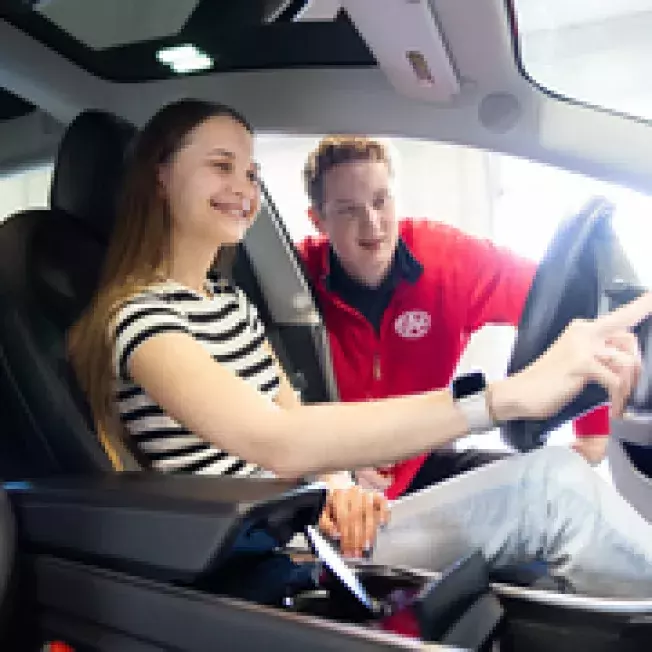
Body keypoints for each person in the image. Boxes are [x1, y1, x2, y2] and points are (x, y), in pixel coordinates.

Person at [68, 98, 652, 598]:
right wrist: (497, 401)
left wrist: (341, 485)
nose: (243, 190)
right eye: (221, 167)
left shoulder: (227, 302)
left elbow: (294, 417)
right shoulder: (138, 318)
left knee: (551, 492)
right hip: (269, 558)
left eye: (250, 173)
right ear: (160, 178)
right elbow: (276, 441)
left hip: (316, 524)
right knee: (548, 489)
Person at [298, 136, 610, 499]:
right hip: (337, 482)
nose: (372, 225)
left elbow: (565, 305)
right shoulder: (291, 280)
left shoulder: (450, 261)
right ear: (318, 220)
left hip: (422, 461)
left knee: (558, 487)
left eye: (381, 201)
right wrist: (333, 459)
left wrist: (591, 431)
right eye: (348, 210)